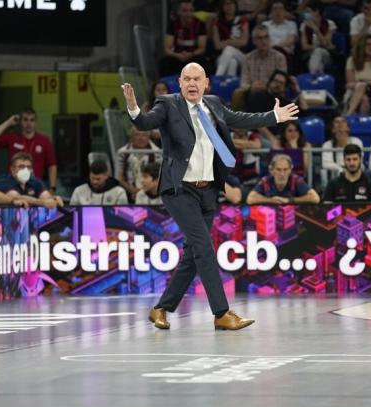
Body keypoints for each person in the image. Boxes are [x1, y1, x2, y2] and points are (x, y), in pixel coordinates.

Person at [121, 61, 299, 330]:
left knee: (193, 255)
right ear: (180, 83)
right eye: (187, 79)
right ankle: (221, 313)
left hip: (208, 191)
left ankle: (160, 308)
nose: (192, 83)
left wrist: (273, 117)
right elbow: (146, 122)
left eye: (197, 79)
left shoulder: (214, 104)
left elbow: (241, 118)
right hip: (180, 189)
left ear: (206, 84)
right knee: (204, 249)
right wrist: (134, 107)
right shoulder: (168, 105)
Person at [0, 107, 58, 191]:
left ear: (35, 122)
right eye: (25, 120)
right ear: (20, 121)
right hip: (13, 184)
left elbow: (52, 165)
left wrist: (52, 188)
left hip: (35, 185)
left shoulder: (44, 140)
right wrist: (8, 122)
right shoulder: (13, 137)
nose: (29, 123)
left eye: (32, 120)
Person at [231, 24, 287, 111]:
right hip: (252, 94)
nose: (263, 41)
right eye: (260, 38)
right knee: (240, 93)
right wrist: (251, 87)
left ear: (270, 39)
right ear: (254, 41)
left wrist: (267, 87)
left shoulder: (279, 57)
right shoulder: (248, 58)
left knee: (260, 96)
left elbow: (282, 83)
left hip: (273, 95)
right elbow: (243, 83)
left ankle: (256, 122)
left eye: (266, 37)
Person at [0, 152, 64, 209]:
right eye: (21, 167)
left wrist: (53, 199)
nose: (25, 170)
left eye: (29, 167)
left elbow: (46, 197)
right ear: (12, 169)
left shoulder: (35, 181)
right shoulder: (3, 182)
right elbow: (16, 197)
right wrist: (43, 202)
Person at [247, 153, 321, 204]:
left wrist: (290, 200)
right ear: (272, 170)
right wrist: (271, 201)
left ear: (290, 170)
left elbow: (315, 198)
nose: (282, 174)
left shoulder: (296, 180)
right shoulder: (265, 180)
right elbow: (250, 199)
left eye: (285, 169)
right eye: (278, 169)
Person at [160, 0, 208, 76]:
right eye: (185, 11)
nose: (188, 14)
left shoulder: (200, 24)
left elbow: (202, 48)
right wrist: (178, 55)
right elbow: (167, 48)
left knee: (204, 62)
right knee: (163, 62)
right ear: (179, 11)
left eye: (190, 11)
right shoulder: (173, 24)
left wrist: (191, 54)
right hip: (177, 56)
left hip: (193, 56)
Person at [344, 34, 371, 115]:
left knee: (362, 86)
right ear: (361, 46)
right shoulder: (351, 60)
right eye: (368, 44)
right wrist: (364, 84)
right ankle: (360, 124)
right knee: (364, 99)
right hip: (354, 90)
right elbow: (349, 83)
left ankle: (348, 115)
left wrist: (362, 83)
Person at [115, 127, 161, 201]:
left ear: (149, 136)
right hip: (128, 192)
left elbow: (158, 178)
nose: (141, 138)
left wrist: (142, 192)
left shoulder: (157, 152)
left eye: (144, 135)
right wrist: (132, 190)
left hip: (150, 194)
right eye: (137, 135)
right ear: (131, 137)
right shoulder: (122, 152)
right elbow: (119, 177)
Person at [321, 116, 364, 186]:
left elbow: (359, 161)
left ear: (348, 128)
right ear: (333, 129)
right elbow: (326, 164)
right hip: (336, 177)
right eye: (337, 122)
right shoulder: (327, 145)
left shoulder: (357, 142)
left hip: (355, 172)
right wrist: (341, 170)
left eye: (343, 121)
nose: (340, 124)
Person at [212, 0, 250, 76]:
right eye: (226, 4)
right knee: (232, 62)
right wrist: (234, 42)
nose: (229, 6)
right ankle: (230, 85)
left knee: (229, 49)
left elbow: (244, 42)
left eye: (231, 3)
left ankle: (217, 77)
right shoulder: (217, 22)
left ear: (235, 6)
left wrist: (227, 42)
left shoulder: (243, 20)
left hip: (241, 55)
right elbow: (217, 46)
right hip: (221, 57)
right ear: (222, 7)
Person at [299, 1, 337, 74]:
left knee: (318, 52)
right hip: (309, 54)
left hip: (326, 55)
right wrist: (318, 46)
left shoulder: (330, 24)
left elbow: (325, 43)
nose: (306, 14)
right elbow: (304, 46)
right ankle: (318, 80)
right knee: (318, 62)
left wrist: (316, 29)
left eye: (308, 11)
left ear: (316, 12)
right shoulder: (304, 25)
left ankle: (313, 78)